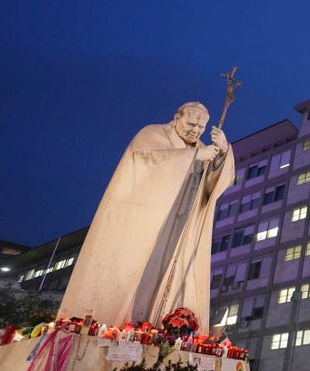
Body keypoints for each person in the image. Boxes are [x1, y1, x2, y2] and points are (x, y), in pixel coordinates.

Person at [60, 102, 235, 330]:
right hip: (148, 220)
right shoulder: (152, 134)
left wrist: (222, 154)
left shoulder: (204, 148)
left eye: (201, 127)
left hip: (180, 225)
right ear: (176, 118)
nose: (195, 131)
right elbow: (143, 162)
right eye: (191, 124)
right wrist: (192, 156)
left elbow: (211, 188)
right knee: (137, 274)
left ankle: (160, 325)